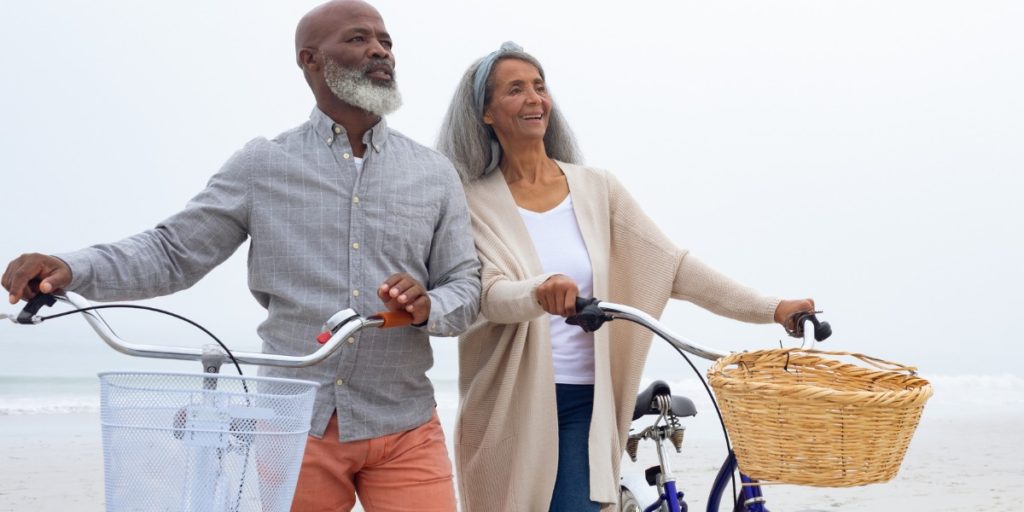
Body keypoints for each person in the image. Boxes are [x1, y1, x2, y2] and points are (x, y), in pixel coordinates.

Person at [1, 2, 479, 511]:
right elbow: (173, 252)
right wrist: (72, 268)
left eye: (385, 40)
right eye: (359, 39)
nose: (380, 50)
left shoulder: (434, 173)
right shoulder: (264, 163)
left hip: (405, 424)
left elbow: (465, 284)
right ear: (310, 59)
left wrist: (428, 304)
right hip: (293, 423)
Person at [435, 41, 816, 512]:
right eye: (516, 90)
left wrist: (771, 309)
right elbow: (487, 295)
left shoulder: (598, 189)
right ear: (486, 112)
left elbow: (672, 267)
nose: (535, 98)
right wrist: (538, 292)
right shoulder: (470, 200)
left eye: (540, 86)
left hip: (585, 402)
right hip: (506, 405)